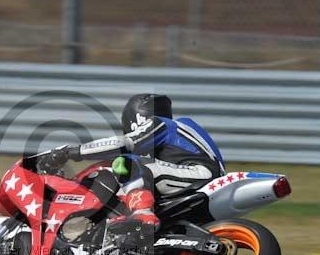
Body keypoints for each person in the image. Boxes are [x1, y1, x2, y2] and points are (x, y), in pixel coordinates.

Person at [65, 93, 226, 231]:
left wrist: (72, 152)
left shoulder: (161, 124)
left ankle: (143, 213)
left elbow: (125, 144)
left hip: (201, 175)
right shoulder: (179, 130)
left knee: (127, 162)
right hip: (200, 177)